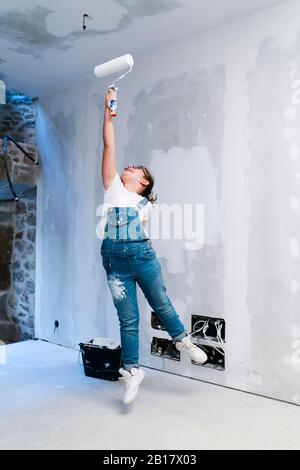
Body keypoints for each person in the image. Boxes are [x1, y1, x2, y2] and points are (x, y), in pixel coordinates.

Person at [100, 88, 207, 405]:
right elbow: (109, 144)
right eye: (128, 166)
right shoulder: (112, 188)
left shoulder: (145, 202)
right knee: (128, 319)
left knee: (160, 303)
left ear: (144, 181)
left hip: (141, 256)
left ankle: (182, 340)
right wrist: (108, 111)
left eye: (135, 168)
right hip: (114, 261)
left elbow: (137, 228)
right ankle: (132, 371)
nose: (127, 167)